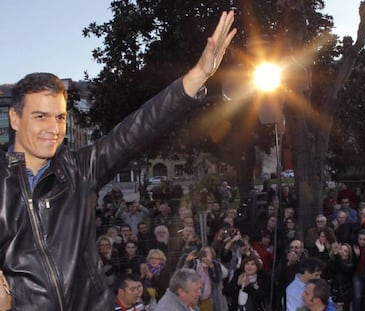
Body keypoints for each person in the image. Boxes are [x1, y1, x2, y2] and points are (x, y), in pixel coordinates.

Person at [0, 11, 237, 310]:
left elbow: (138, 128)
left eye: (60, 117)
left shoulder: (79, 170)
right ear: (14, 118)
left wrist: (198, 75)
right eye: (40, 116)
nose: (53, 128)